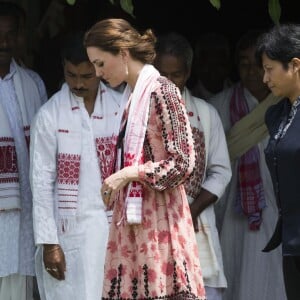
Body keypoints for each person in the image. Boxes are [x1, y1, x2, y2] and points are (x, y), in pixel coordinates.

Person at [84, 18, 206, 300]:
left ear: (123, 53)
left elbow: (183, 163)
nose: (97, 73)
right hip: (136, 230)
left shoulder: (163, 91)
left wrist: (129, 174)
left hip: (161, 229)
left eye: (101, 63)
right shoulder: (132, 97)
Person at [29, 31, 127, 300]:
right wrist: (50, 244)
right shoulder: (50, 115)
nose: (79, 84)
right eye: (72, 75)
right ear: (63, 68)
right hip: (70, 236)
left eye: (86, 76)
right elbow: (40, 182)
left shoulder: (121, 108)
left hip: (114, 231)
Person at [209, 30, 287, 300]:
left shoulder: (289, 105)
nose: (251, 71)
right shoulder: (217, 107)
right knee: (233, 277)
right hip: (230, 214)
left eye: (257, 63)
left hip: (275, 212)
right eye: (244, 63)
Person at [154, 31, 231, 300]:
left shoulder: (206, 114)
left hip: (197, 227)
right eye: (162, 74)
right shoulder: (139, 112)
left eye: (175, 75)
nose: (168, 83)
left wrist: (193, 210)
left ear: (187, 74)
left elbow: (221, 171)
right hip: (152, 229)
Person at [0, 2, 47, 300]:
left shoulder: (33, 83)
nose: (3, 43)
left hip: (23, 217)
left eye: (10, 34)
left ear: (20, 37)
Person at [255, 23, 300, 300]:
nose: (264, 78)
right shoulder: (276, 115)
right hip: (292, 239)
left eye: (270, 69)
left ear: (295, 65)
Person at [190, 32, 233, 101]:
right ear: (196, 66)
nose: (213, 70)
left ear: (228, 65)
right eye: (208, 64)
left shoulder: (242, 96)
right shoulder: (186, 102)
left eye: (219, 64)